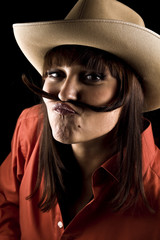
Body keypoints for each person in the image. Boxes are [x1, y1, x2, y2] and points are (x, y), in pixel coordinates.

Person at [0, 0, 160, 239]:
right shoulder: (30, 127)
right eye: (56, 74)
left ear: (130, 94)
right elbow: (7, 204)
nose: (64, 94)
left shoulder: (155, 197)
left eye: (92, 76)